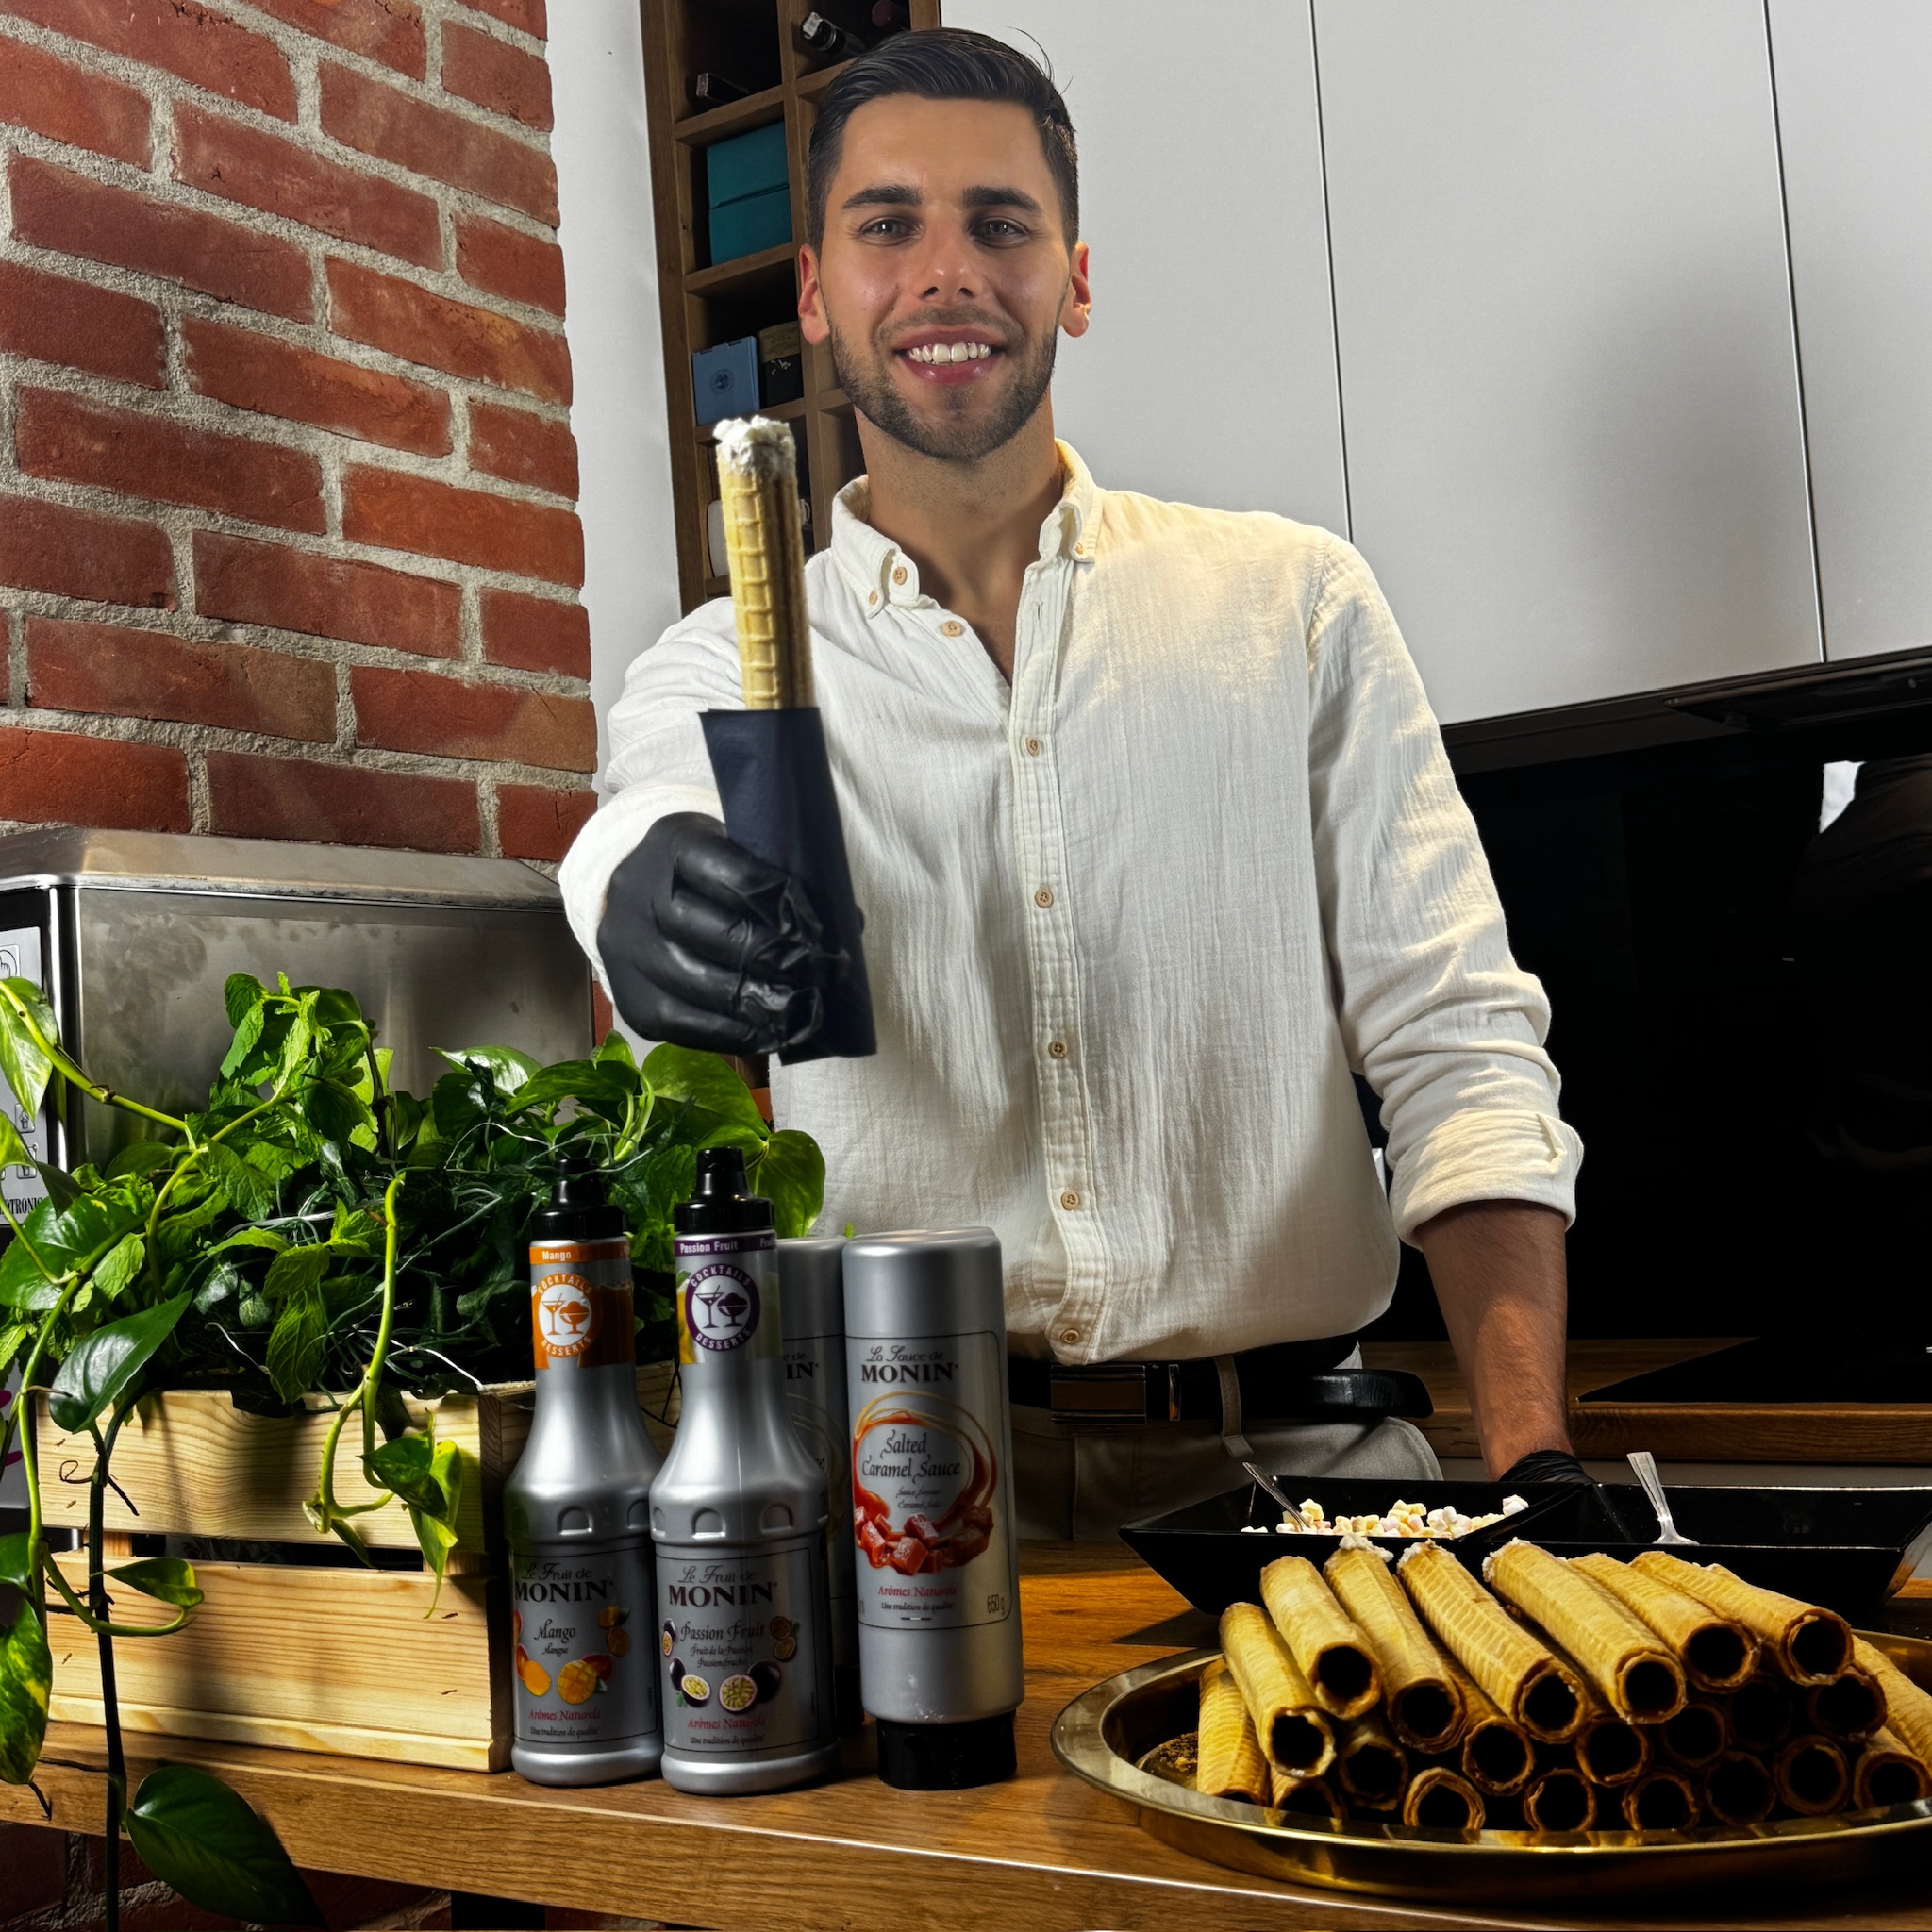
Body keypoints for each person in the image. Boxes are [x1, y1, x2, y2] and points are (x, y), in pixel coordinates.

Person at [562, 29, 1588, 1537]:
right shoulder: (725, 664)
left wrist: (1533, 1464)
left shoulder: (1293, 603)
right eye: (889, 225)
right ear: (815, 293)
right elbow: (634, 819)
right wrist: (639, 885)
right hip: (903, 1497)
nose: (946, 274)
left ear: (1075, 280)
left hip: (1307, 1480)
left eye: (1000, 224)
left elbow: (1455, 1039)